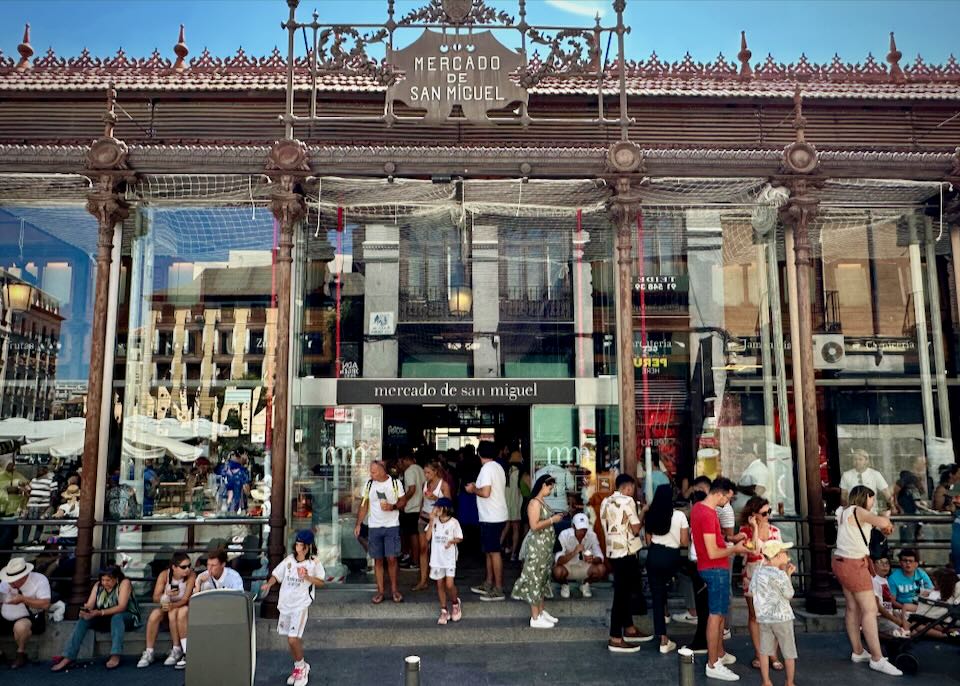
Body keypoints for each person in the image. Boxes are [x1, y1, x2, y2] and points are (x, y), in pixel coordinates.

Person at [831, 485, 901, 676]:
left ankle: (858, 650)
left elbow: (866, 528)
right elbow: (882, 520)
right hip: (854, 564)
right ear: (865, 497)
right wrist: (886, 518)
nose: (872, 502)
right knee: (869, 610)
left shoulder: (843, 511)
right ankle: (877, 658)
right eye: (872, 498)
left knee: (853, 607)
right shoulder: (859, 511)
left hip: (840, 561)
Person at [690, 477, 748, 681]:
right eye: (728, 498)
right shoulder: (707, 513)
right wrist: (735, 549)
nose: (728, 502)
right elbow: (713, 551)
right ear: (720, 494)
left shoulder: (699, 507)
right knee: (716, 616)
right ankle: (713, 662)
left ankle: (719, 654)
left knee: (719, 614)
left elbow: (714, 541)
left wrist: (732, 540)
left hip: (711, 567)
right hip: (715, 567)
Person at [257, 530, 325, 686]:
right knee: (289, 639)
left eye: (301, 544)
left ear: (307, 546)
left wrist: (307, 577)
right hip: (286, 604)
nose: (297, 546)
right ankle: (298, 666)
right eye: (297, 543)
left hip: (300, 605)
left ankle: (302, 668)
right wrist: (269, 583)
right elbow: (277, 575)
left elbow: (321, 582)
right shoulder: (289, 560)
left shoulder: (313, 562)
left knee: (293, 639)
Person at [52, 565, 142, 671]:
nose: (105, 583)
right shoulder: (98, 586)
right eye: (103, 580)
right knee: (83, 620)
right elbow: (90, 604)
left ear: (116, 578)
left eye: (108, 580)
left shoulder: (124, 583)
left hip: (127, 617)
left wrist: (100, 612)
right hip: (105, 617)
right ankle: (68, 656)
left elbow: (121, 607)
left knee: (117, 617)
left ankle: (115, 654)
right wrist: (86, 611)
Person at [601, 474, 653, 653]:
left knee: (623, 590)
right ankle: (615, 636)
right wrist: (644, 511)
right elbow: (636, 527)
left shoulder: (605, 502)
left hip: (612, 551)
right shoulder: (628, 502)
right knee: (622, 595)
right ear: (629, 487)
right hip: (626, 551)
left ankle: (629, 627)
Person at [738, 496, 784, 672]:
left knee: (773, 617)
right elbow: (754, 551)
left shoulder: (775, 531)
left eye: (768, 512)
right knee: (754, 616)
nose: (767, 516)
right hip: (752, 576)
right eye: (764, 513)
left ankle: (772, 653)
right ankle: (760, 653)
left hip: (771, 577)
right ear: (754, 514)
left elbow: (781, 555)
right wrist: (755, 528)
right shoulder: (745, 531)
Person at [512, 475, 563, 628]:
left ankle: (540, 611)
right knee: (535, 578)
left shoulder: (542, 502)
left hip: (545, 547)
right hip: (537, 547)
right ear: (542, 485)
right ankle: (535, 616)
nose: (550, 490)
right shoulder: (534, 503)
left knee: (542, 578)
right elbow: (534, 525)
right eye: (549, 487)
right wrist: (552, 520)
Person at [645, 483, 689, 654]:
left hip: (654, 555)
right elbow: (684, 542)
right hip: (671, 557)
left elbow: (648, 541)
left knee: (657, 595)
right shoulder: (679, 516)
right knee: (668, 585)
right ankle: (669, 614)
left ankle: (663, 639)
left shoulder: (651, 515)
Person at [354, 460, 407, 604]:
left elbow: (403, 501)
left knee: (391, 558)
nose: (371, 474)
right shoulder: (369, 484)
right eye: (370, 471)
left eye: (374, 471)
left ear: (383, 471)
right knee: (377, 560)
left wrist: (393, 506)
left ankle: (395, 590)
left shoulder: (395, 483)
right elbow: (364, 505)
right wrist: (358, 523)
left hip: (391, 525)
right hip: (374, 526)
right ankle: (380, 591)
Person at [748, 541, 798, 686]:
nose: (787, 556)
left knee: (764, 651)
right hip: (783, 617)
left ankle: (766, 681)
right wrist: (788, 575)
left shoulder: (757, 571)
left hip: (764, 618)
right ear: (775, 557)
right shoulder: (781, 574)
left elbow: (751, 591)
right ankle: (789, 682)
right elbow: (789, 594)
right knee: (788, 651)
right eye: (784, 553)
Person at [137, 552, 196, 669]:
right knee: (154, 614)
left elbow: (185, 599)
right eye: (183, 567)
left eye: (189, 566)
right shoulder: (164, 575)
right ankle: (149, 651)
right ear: (174, 567)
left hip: (181, 608)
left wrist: (172, 606)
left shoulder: (191, 576)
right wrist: (166, 594)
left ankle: (177, 648)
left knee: (176, 612)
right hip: (167, 606)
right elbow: (155, 597)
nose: (187, 569)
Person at [466, 441, 508, 602]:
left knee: (494, 551)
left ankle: (498, 588)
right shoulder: (498, 467)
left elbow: (486, 492)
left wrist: (473, 489)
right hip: (496, 514)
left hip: (491, 516)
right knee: (489, 550)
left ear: (479, 453)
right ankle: (489, 582)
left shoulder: (486, 468)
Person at [0, 557, 51, 669]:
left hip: (29, 616)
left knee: (21, 627)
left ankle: (20, 654)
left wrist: (23, 599)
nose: (10, 582)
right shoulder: (6, 582)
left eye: (13, 579)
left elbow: (45, 604)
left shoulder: (39, 580)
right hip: (6, 614)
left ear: (23, 576)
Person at [414, 461, 451, 592]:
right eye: (425, 472)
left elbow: (448, 503)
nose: (426, 475)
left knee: (439, 549)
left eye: (428, 472)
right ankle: (423, 580)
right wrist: (419, 514)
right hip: (423, 518)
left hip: (436, 520)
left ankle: (442, 578)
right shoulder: (425, 484)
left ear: (435, 471)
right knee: (423, 549)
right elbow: (422, 501)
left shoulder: (443, 485)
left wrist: (435, 497)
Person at [425, 497, 463, 625]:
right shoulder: (434, 521)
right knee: (439, 584)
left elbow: (459, 537)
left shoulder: (454, 522)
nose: (435, 510)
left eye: (438, 507)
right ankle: (444, 609)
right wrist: (431, 522)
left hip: (449, 558)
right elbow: (427, 537)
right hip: (436, 558)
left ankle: (455, 603)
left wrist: (452, 541)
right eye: (435, 507)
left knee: (449, 584)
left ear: (446, 509)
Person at [553, 512, 605, 599]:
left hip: (585, 568)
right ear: (573, 526)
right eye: (580, 529)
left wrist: (593, 559)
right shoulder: (564, 535)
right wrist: (574, 552)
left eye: (585, 529)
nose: (583, 532)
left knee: (601, 569)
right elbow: (558, 560)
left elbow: (600, 556)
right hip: (568, 567)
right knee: (557, 571)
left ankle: (585, 584)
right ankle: (564, 584)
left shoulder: (592, 535)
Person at [398, 453, 425, 573]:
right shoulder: (420, 469)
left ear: (405, 460)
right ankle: (415, 560)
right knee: (415, 534)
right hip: (419, 506)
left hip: (410, 507)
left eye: (401, 463)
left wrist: (403, 501)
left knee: (412, 535)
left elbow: (412, 489)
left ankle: (414, 562)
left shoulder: (409, 471)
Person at [533, 458, 575, 532]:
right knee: (563, 541)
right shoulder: (565, 472)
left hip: (544, 513)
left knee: (545, 541)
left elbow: (534, 492)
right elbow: (571, 491)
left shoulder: (538, 473)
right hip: (561, 512)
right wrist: (570, 507)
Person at [871, 556, 909, 636]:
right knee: (901, 633)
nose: (885, 565)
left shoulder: (886, 580)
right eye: (880, 562)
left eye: (887, 563)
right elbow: (877, 606)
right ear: (873, 565)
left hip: (889, 613)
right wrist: (894, 619)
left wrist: (895, 616)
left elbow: (889, 604)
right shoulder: (874, 581)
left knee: (911, 621)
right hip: (878, 617)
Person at [886, 547, 933, 612]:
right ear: (900, 563)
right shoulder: (893, 578)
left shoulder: (921, 574)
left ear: (916, 564)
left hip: (922, 607)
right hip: (902, 609)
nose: (908, 563)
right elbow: (892, 601)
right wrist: (907, 608)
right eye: (905, 561)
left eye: (911, 561)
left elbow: (932, 591)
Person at [0, 457, 28, 562]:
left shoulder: (17, 474)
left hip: (14, 514)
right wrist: (9, 489)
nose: (14, 466)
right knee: (3, 542)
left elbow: (25, 488)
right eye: (11, 464)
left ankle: (5, 563)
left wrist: (23, 506)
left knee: (9, 542)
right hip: (3, 514)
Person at [23, 464, 56, 543]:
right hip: (33, 505)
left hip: (42, 505)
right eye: (38, 470)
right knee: (29, 524)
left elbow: (53, 493)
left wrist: (50, 505)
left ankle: (35, 539)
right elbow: (27, 490)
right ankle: (26, 541)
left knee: (39, 523)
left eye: (40, 470)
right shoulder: (34, 480)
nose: (38, 472)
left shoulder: (50, 480)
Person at [501, 451, 524, 561]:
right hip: (516, 503)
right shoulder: (519, 472)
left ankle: (497, 548)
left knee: (506, 527)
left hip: (505, 503)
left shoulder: (505, 471)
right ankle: (513, 554)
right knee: (516, 528)